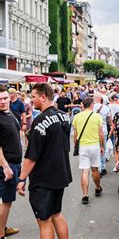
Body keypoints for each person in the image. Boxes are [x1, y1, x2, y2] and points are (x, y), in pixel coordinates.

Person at [16, 83, 72, 239]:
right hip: (60, 173)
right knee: (56, 214)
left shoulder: (40, 120)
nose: (31, 100)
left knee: (44, 220)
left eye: (33, 96)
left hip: (44, 178)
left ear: (43, 97)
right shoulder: (63, 116)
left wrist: (21, 179)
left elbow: (32, 156)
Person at [72, 97, 104, 205]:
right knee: (95, 169)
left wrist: (76, 145)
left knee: (85, 170)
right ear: (91, 105)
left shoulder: (77, 117)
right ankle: (97, 187)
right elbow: (100, 133)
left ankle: (85, 194)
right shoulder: (97, 117)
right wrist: (102, 145)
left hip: (83, 146)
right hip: (94, 145)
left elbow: (75, 135)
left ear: (82, 105)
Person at [0, 86, 22, 238]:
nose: (2, 102)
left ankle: (3, 227)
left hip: (14, 163)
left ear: (10, 98)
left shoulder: (10, 113)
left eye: (5, 98)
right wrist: (6, 167)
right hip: (6, 165)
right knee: (6, 200)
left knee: (7, 199)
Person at [93, 93, 111, 176]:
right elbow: (109, 120)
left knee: (96, 148)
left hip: (94, 130)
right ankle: (103, 167)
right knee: (102, 148)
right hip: (103, 130)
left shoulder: (92, 107)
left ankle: (98, 168)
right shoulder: (106, 108)